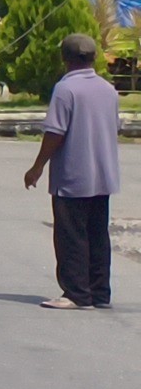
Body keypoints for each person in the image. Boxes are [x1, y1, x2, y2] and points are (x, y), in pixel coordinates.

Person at [22, 31, 119, 310]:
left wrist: (37, 166)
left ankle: (76, 293)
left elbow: (56, 131)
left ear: (65, 58)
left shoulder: (65, 89)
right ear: (94, 58)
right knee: (97, 234)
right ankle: (99, 292)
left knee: (71, 235)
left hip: (73, 175)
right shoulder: (108, 89)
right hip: (103, 175)